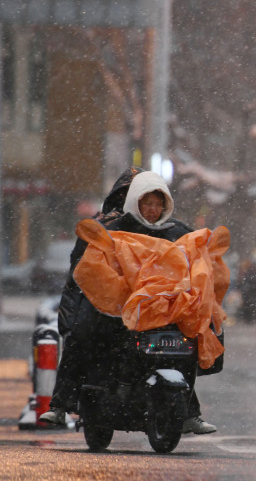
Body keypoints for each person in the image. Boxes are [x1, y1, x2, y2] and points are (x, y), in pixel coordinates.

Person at [40, 170, 217, 435]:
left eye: (158, 204)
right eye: (147, 203)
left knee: (188, 343)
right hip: (116, 310)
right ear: (135, 201)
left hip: (164, 311)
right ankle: (61, 404)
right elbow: (85, 272)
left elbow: (198, 266)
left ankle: (190, 414)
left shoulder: (179, 232)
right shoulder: (109, 228)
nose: (153, 210)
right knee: (82, 336)